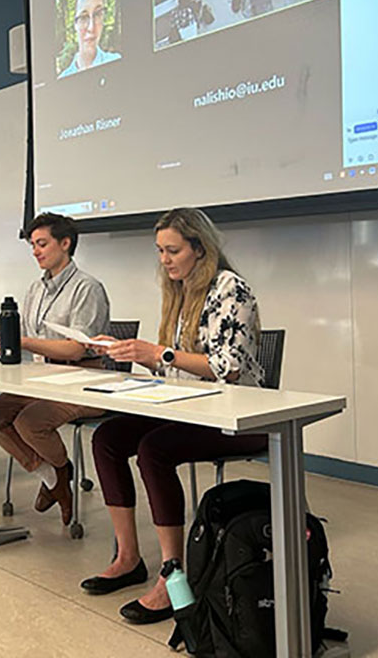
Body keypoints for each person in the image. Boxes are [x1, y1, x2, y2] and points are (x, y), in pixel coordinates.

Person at [80, 208, 265, 624]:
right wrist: (129, 352)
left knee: (153, 449)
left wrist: (157, 353)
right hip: (189, 409)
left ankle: (173, 576)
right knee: (107, 438)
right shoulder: (180, 291)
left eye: (173, 250)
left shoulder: (229, 288)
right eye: (159, 251)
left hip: (238, 416)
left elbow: (227, 367)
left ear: (200, 249)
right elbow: (176, 367)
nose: (164, 259)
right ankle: (128, 557)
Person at [0, 212, 110, 525]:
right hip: (41, 380)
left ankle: (60, 472)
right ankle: (54, 476)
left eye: (42, 244)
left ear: (65, 243)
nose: (36, 252)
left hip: (82, 380)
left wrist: (23, 342)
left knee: (29, 422)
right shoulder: (34, 290)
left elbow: (76, 348)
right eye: (33, 246)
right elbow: (25, 337)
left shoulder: (87, 288)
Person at [58, 0, 121, 78]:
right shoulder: (63, 78)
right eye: (83, 17)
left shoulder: (118, 63)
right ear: (75, 24)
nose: (91, 27)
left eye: (97, 14)